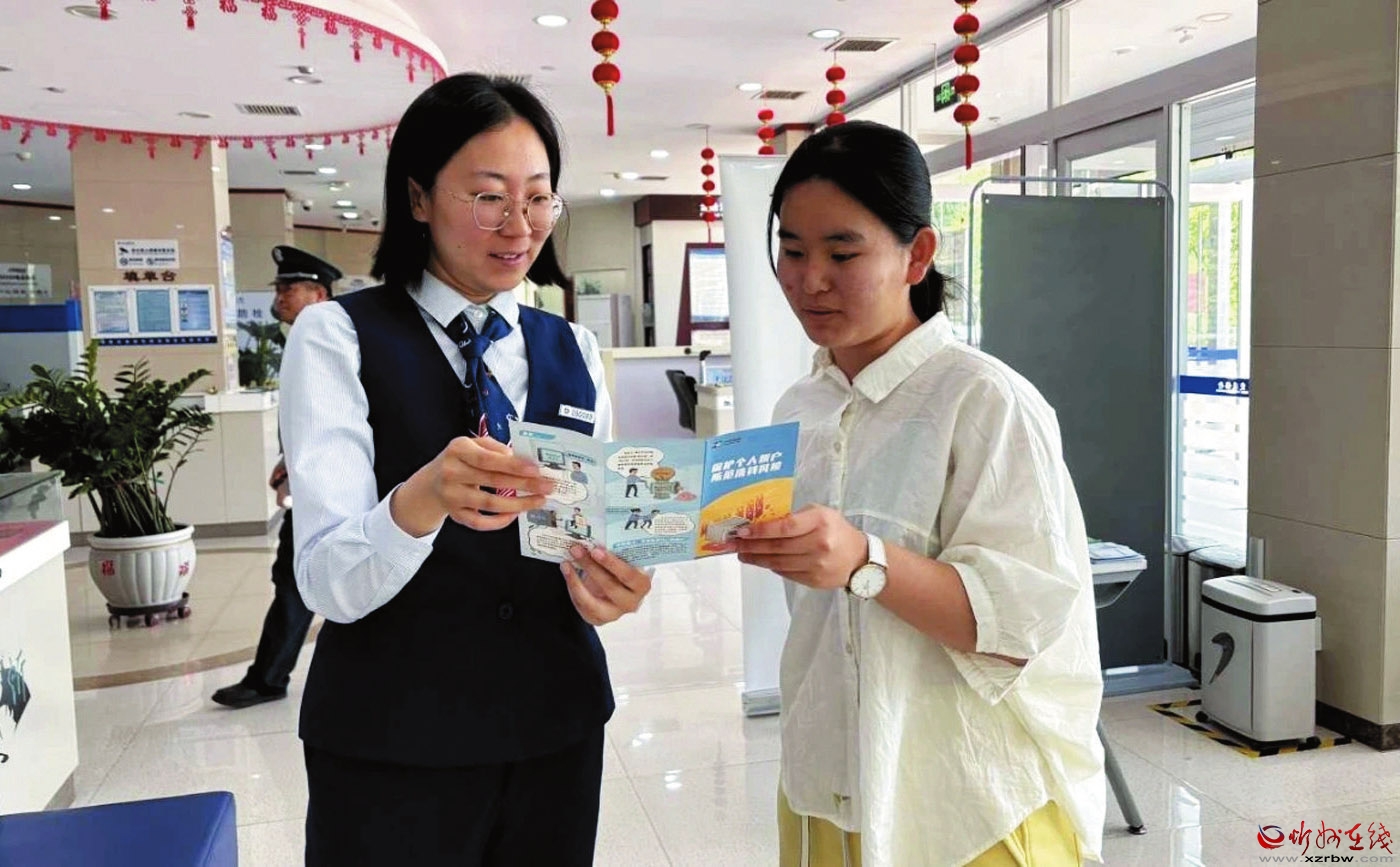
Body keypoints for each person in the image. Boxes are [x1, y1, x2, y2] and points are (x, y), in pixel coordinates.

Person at [279, 73, 653, 866]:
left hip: (555, 729)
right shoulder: (336, 336)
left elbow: (589, 537)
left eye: (538, 198)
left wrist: (612, 581)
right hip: (392, 740)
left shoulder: (575, 349)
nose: (519, 226)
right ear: (418, 197)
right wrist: (419, 500)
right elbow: (326, 581)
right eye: (489, 197)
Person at [733, 121, 1106, 866]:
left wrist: (864, 560)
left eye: (843, 253)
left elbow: (1018, 622)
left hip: (964, 798)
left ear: (918, 253)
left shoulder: (984, 400)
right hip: (827, 774)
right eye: (793, 251)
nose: (810, 280)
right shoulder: (798, 408)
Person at [211, 245, 340, 710]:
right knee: (294, 577)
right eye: (280, 288)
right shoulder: (306, 339)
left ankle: (268, 679)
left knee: (294, 577)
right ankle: (268, 677)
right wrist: (289, 461)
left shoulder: (331, 341)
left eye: (290, 288)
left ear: (319, 294)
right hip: (313, 480)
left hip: (330, 484)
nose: (280, 297)